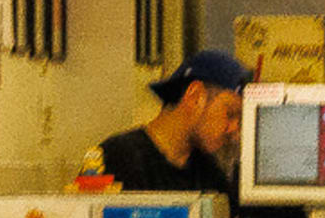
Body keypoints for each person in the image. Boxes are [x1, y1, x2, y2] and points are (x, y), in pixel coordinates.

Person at [96, 47, 248, 198]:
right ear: (195, 96)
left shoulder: (209, 173)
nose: (234, 129)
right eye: (230, 113)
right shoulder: (117, 159)